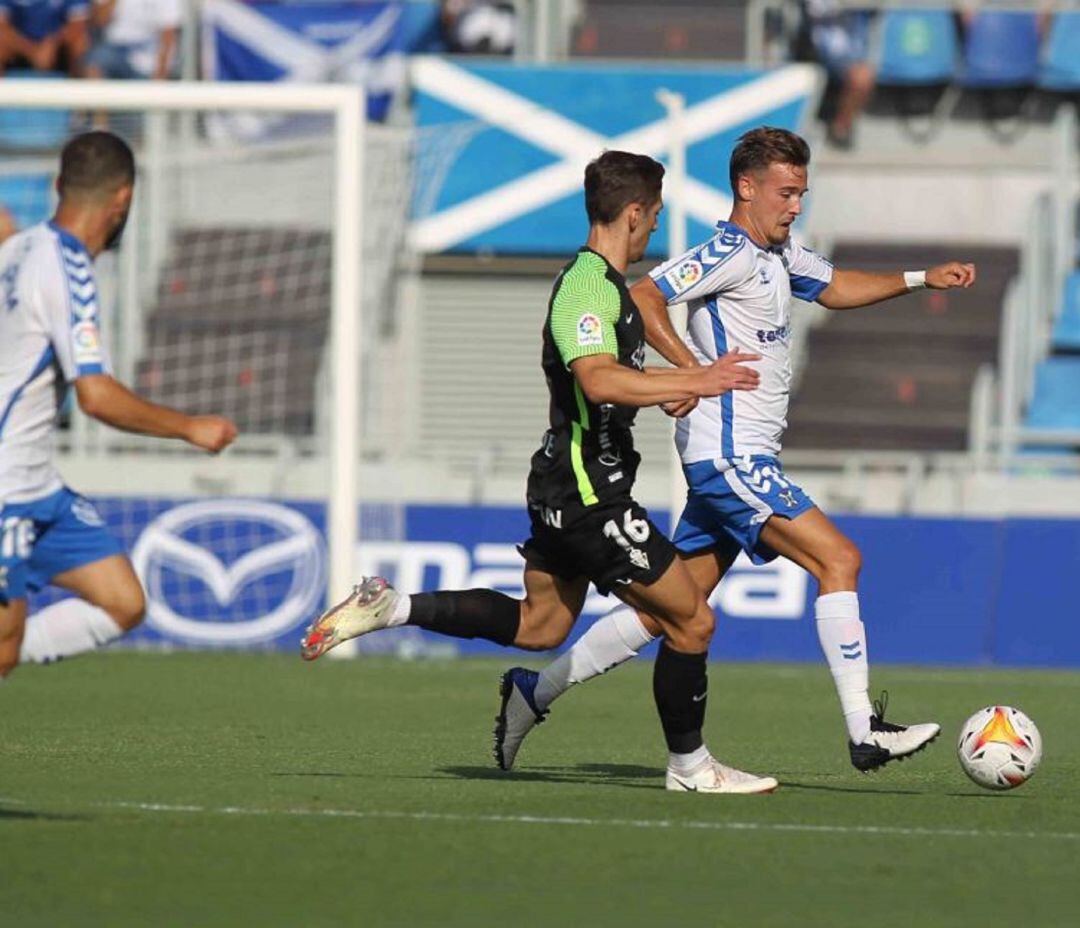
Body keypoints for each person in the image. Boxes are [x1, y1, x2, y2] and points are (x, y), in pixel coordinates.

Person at [496, 126, 976, 775]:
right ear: (746, 188)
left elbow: (836, 286)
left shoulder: (780, 255)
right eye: (785, 192)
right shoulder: (725, 251)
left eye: (802, 193)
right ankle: (864, 729)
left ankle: (536, 691)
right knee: (840, 558)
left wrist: (922, 278)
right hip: (729, 458)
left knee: (668, 611)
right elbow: (643, 294)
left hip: (744, 458)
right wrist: (694, 369)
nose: (795, 205)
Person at [302, 150, 778, 794]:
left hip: (566, 481)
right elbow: (596, 376)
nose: (656, 231)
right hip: (589, 491)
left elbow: (612, 379)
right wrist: (698, 376)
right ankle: (692, 769)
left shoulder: (607, 289)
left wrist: (667, 386)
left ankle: (394, 607)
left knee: (541, 625)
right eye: (656, 217)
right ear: (633, 214)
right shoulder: (586, 284)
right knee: (692, 620)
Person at [0, 131, 237, 681]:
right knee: (5, 650)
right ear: (124, 200)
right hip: (7, 486)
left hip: (40, 488)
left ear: (59, 184)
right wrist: (190, 428)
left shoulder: (18, 249)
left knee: (123, 602)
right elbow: (96, 396)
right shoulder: (69, 271)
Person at [85, 0, 181, 82]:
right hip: (112, 48)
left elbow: (168, 36)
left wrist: (160, 75)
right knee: (95, 65)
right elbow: (99, 20)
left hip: (146, 53)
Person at [0, 0, 89, 76]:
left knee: (80, 41)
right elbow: (2, 25)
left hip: (57, 48)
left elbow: (77, 25)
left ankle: (77, 90)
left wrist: (52, 43)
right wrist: (32, 51)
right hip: (19, 46)